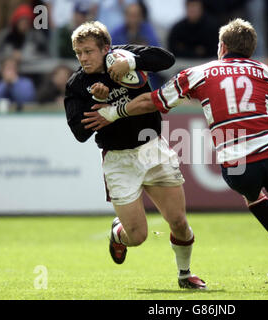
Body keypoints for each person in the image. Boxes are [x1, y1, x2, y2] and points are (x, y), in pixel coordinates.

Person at [85, 19, 268, 290]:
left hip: (240, 163)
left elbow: (150, 101)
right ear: (251, 49)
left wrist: (113, 112)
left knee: (252, 195)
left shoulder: (200, 73)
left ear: (222, 46)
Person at [64, 21, 206, 290]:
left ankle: (185, 275)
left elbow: (166, 59)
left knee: (178, 221)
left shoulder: (122, 55)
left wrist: (132, 60)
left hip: (153, 149)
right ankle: (118, 233)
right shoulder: (78, 84)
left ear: (106, 48)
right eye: (78, 53)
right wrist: (100, 103)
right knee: (137, 236)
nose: (83, 58)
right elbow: (79, 133)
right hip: (119, 161)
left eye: (88, 51)